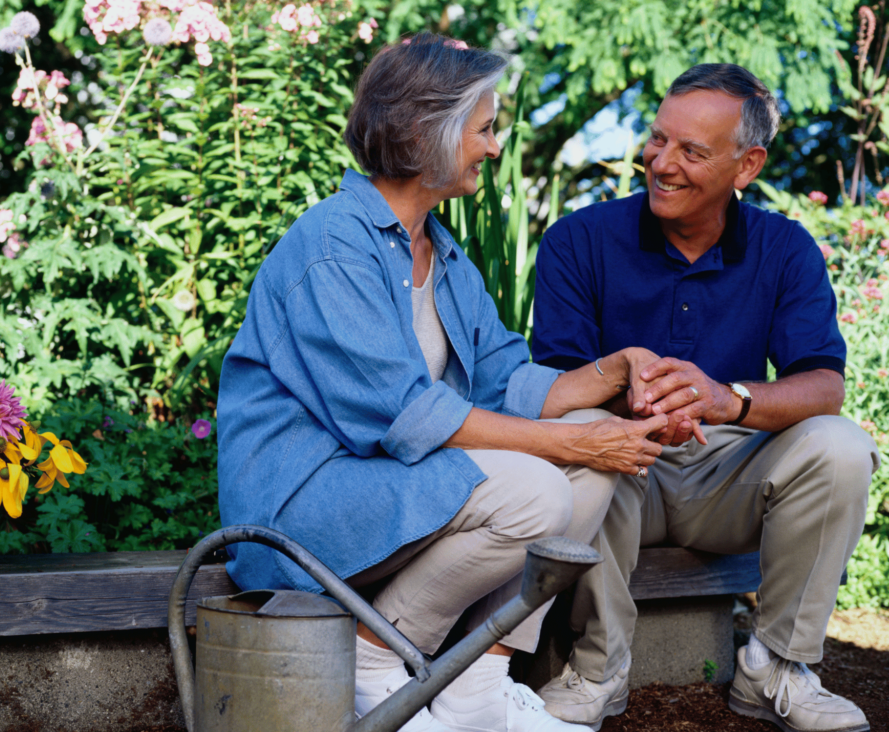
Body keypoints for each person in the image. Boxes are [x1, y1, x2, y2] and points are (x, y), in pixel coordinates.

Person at [217, 34, 671, 732]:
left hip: (392, 490)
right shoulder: (333, 245)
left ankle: (475, 687)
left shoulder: (444, 255)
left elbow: (503, 382)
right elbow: (406, 416)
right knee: (545, 483)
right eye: (485, 128)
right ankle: (374, 659)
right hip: (304, 507)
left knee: (582, 455)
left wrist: (613, 372)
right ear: (428, 130)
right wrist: (574, 449)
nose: (495, 147)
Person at [530, 63, 880, 732]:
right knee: (584, 435)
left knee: (841, 445)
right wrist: (627, 405)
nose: (662, 163)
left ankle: (776, 669)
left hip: (730, 473)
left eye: (692, 151)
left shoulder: (786, 248)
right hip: (623, 465)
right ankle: (598, 670)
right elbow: (559, 392)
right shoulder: (577, 242)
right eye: (658, 140)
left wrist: (729, 399)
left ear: (747, 165)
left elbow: (825, 385)